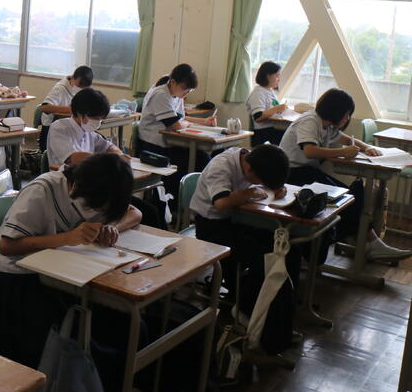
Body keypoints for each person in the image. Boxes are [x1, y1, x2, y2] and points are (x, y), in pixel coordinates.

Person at [0, 153, 141, 369]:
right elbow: (7, 246)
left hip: (61, 275)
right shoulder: (43, 190)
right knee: (72, 338)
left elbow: (135, 214)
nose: (100, 212)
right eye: (100, 208)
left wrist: (111, 228)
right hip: (18, 281)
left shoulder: (103, 190)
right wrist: (67, 238)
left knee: (119, 322)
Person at [279, 88, 411, 261]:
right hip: (292, 174)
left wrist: (367, 148)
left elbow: (348, 140)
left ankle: (366, 242)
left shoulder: (327, 126)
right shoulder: (310, 121)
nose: (347, 118)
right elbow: (310, 151)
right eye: (346, 114)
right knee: (347, 200)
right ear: (335, 111)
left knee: (349, 198)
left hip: (307, 172)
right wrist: (343, 152)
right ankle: (366, 243)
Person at [190, 144, 298, 355]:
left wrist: (277, 189)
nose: (260, 185)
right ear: (250, 171)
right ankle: (247, 311)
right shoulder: (222, 166)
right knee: (264, 258)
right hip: (211, 226)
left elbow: (269, 185)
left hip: (237, 221)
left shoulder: (257, 160)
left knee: (288, 252)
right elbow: (221, 203)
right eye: (260, 181)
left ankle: (279, 323)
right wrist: (249, 193)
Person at [137, 63, 218, 198]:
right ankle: (181, 199)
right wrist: (186, 124)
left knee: (204, 157)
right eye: (184, 89)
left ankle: (192, 198)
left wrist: (205, 122)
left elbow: (181, 119)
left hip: (169, 143)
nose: (185, 94)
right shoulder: (161, 95)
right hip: (153, 147)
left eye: (189, 91)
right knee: (200, 159)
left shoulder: (176, 94)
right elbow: (177, 125)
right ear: (173, 82)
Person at [46, 88, 125, 167]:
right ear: (80, 113)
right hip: (64, 173)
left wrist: (120, 156)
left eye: (101, 119)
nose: (98, 122)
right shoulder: (59, 128)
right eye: (96, 118)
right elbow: (72, 159)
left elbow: (109, 147)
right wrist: (107, 159)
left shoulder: (89, 132)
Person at [39, 65, 94, 151]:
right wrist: (72, 110)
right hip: (51, 130)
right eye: (79, 85)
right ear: (73, 77)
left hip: (70, 128)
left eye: (83, 88)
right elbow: (44, 108)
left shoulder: (84, 90)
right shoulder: (60, 88)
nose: (80, 89)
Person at [247, 61, 287, 146]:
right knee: (289, 138)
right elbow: (258, 116)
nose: (279, 79)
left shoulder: (270, 91)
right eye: (277, 76)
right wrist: (276, 109)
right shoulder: (258, 93)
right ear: (268, 76)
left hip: (272, 128)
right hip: (263, 131)